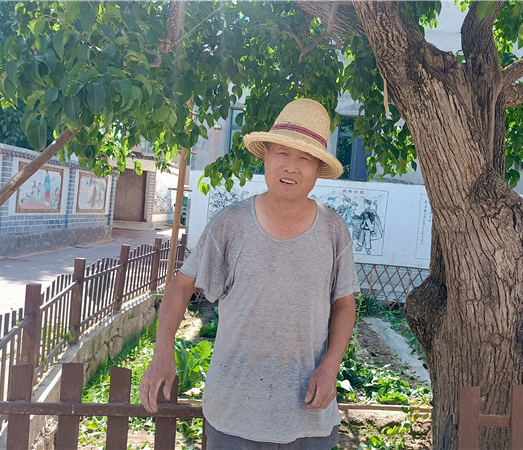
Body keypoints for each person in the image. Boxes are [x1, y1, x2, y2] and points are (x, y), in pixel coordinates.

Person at [139, 98, 359, 449]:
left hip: (308, 417)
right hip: (233, 414)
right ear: (266, 156)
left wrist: (330, 367)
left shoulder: (334, 231)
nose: (291, 167)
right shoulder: (230, 223)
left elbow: (344, 305)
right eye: (282, 153)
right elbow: (181, 286)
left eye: (305, 158)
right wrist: (163, 351)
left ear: (318, 168)